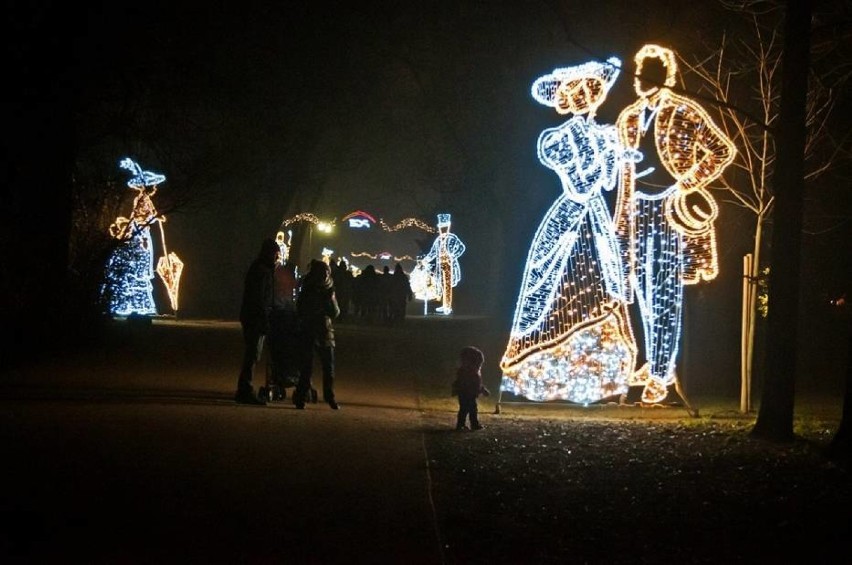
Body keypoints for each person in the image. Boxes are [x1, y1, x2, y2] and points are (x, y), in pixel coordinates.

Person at [500, 57, 639, 405]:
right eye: (573, 91)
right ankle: (540, 373)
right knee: (552, 283)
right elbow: (582, 184)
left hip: (597, 219)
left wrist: (616, 154)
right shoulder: (556, 138)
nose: (582, 96)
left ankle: (599, 377)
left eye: (589, 89)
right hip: (570, 216)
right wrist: (611, 151)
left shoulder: (605, 134)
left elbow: (607, 182)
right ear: (564, 99)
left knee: (603, 285)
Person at [615, 44, 736, 404]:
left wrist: (686, 182)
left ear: (664, 76)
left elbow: (722, 150)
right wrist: (621, 217)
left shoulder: (685, 110)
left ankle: (660, 372)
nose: (641, 80)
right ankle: (656, 360)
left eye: (649, 73)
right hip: (638, 210)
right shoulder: (629, 117)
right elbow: (624, 173)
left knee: (664, 292)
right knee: (641, 291)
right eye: (638, 72)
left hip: (672, 211)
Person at [234, 237, 280, 405]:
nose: (277, 258)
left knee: (253, 353)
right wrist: (265, 318)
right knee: (253, 354)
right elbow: (260, 298)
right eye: (275, 254)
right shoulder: (262, 271)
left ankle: (244, 387)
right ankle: (244, 389)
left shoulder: (259, 268)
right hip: (255, 318)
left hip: (251, 316)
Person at [295, 259, 341, 410]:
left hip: (311, 329)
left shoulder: (307, 286)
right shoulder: (326, 288)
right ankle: (328, 397)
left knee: (308, 366)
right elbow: (335, 312)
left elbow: (300, 308)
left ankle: (302, 396)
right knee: (326, 367)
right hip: (322, 330)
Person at [421, 213, 466, 315]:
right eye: (441, 227)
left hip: (449, 265)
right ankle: (444, 304)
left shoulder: (452, 238)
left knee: (447, 286)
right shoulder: (438, 240)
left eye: (444, 227)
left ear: (448, 226)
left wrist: (452, 256)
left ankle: (448, 307)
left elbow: (461, 247)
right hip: (440, 265)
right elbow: (432, 253)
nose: (443, 229)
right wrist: (425, 260)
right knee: (441, 285)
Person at [268, 260, 300, 394]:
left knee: (278, 350)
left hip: (278, 317)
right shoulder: (288, 279)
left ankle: (279, 375)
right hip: (285, 317)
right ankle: (292, 375)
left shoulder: (277, 276)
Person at [452, 346, 490, 430]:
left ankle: (462, 424)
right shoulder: (468, 372)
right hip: (467, 393)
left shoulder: (468, 372)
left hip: (466, 393)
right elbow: (472, 384)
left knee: (465, 409)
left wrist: (482, 389)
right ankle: (472, 424)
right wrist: (481, 390)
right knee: (470, 409)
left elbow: (477, 384)